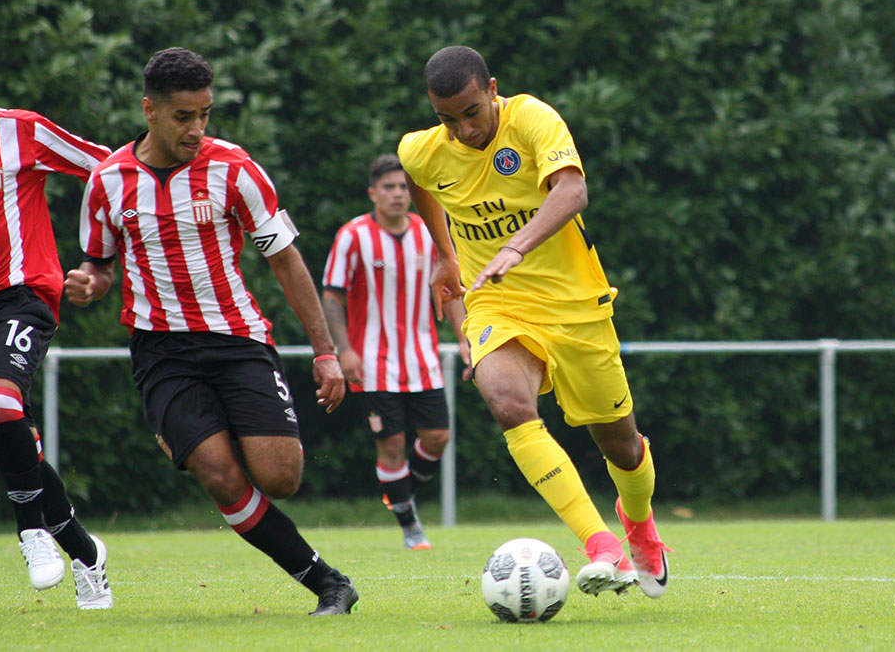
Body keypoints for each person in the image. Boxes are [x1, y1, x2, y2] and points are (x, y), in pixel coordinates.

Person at [64, 47, 358, 616]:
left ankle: (192, 429)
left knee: (281, 475)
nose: (197, 128)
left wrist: (325, 353)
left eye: (205, 114)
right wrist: (92, 282)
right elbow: (98, 262)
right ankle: (329, 584)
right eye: (183, 117)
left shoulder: (236, 169)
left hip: (237, 338)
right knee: (222, 478)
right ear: (149, 110)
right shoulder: (107, 181)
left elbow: (287, 260)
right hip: (161, 349)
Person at [397, 45, 671, 599]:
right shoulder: (422, 150)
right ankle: (600, 544)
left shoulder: (531, 119)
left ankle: (639, 527)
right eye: (447, 119)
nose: (462, 130)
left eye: (472, 112)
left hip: (575, 306)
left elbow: (573, 189)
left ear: (492, 89)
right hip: (498, 305)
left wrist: (517, 246)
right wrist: (447, 255)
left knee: (622, 447)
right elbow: (422, 179)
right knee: (507, 402)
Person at [0, 18, 113, 609]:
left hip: (23, 293)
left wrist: (98, 261)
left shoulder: (22, 131)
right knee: (12, 437)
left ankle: (30, 533)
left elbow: (115, 174)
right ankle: (86, 554)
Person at [321, 153, 469, 550]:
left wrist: (465, 339)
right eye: (389, 187)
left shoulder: (429, 233)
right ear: (373, 193)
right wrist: (344, 351)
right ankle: (410, 527)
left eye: (404, 187)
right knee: (392, 446)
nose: (399, 194)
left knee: (438, 436)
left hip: (423, 360)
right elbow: (332, 296)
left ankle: (400, 496)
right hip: (370, 365)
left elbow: (451, 291)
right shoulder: (353, 236)